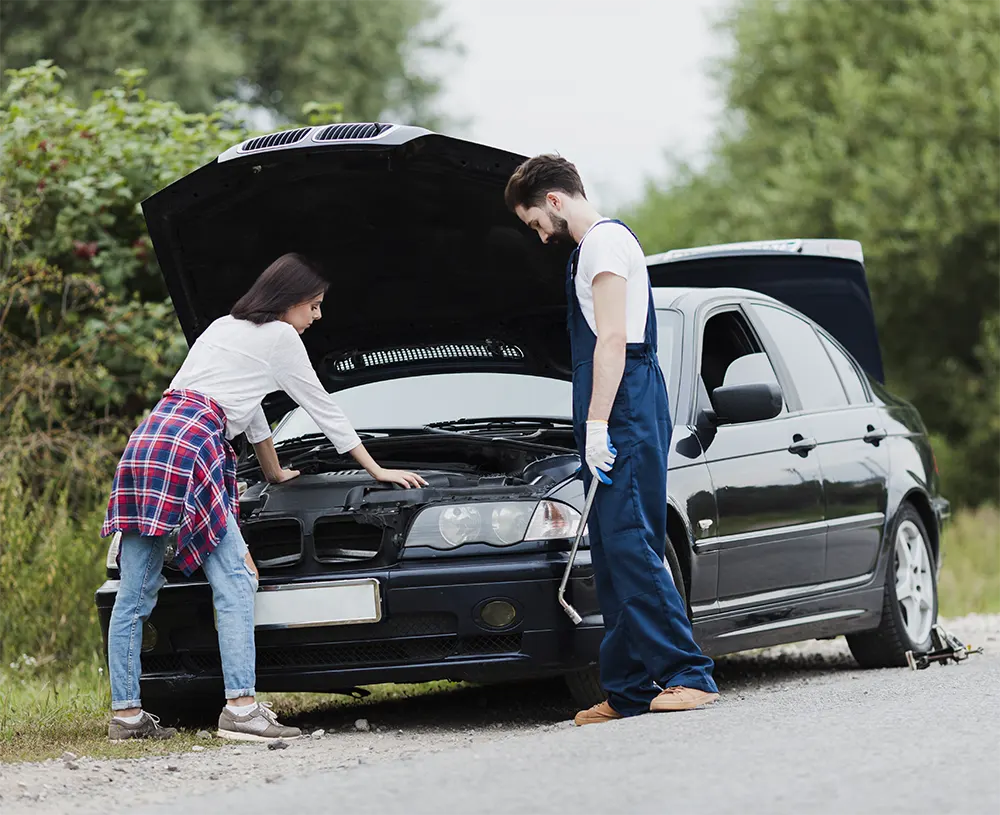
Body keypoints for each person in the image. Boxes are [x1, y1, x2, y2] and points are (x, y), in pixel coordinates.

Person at [101, 252, 427, 742]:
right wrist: (376, 468)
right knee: (234, 581)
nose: (316, 317)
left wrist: (273, 471)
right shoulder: (280, 337)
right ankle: (241, 708)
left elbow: (244, 404)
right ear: (291, 301)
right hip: (193, 445)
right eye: (313, 306)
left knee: (135, 591)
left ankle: (126, 716)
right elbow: (319, 403)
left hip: (150, 441)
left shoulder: (222, 327)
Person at [504, 155, 719, 725]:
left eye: (533, 222)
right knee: (612, 545)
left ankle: (687, 674)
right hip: (617, 399)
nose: (538, 236)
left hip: (623, 399)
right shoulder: (592, 247)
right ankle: (626, 688)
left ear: (553, 201)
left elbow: (613, 338)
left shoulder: (601, 244)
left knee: (628, 541)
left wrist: (599, 424)